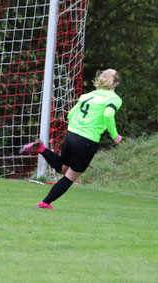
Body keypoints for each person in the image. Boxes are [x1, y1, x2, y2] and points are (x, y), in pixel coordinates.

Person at [20, 69, 123, 209]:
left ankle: (42, 149)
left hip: (71, 135)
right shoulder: (114, 99)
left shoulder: (87, 96)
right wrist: (115, 135)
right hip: (87, 140)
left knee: (63, 168)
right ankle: (45, 202)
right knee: (70, 176)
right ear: (116, 83)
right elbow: (108, 114)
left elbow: (70, 114)